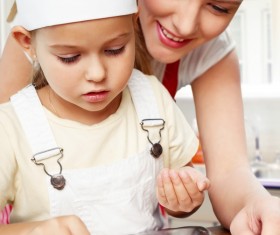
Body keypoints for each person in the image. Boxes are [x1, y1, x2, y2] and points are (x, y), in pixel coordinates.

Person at [1, 0, 280, 234]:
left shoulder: (153, 95)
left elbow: (227, 172)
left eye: (219, 6)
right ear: (30, 45)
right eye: (70, 57)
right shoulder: (16, 113)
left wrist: (257, 204)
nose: (184, 24)